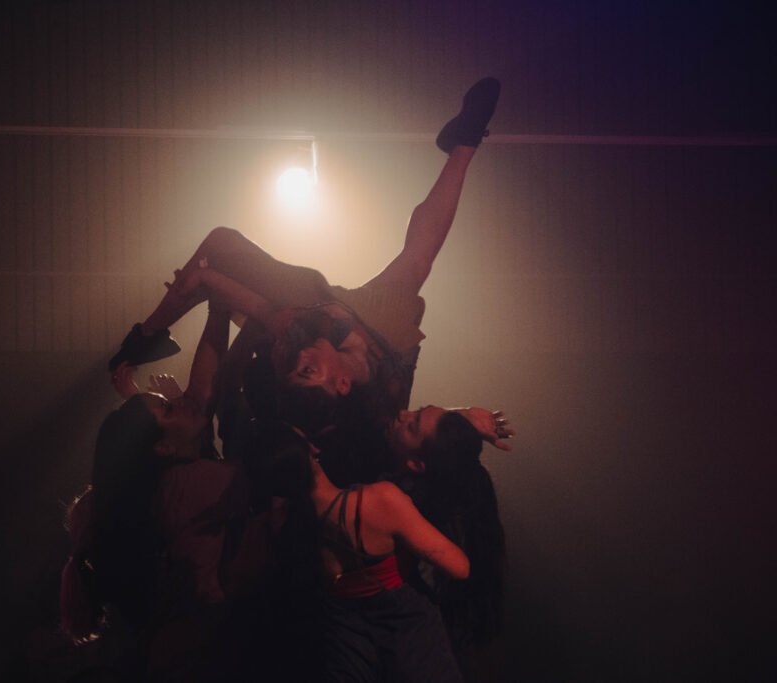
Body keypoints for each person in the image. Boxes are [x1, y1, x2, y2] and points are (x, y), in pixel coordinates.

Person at [107, 77, 511, 479]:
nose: (300, 360)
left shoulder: (296, 344)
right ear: (342, 384)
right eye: (307, 371)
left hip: (322, 314)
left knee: (219, 245)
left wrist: (205, 278)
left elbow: (259, 310)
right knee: (417, 262)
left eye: (296, 369)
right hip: (384, 341)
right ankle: (465, 143)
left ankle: (145, 337)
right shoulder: (380, 411)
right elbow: (417, 436)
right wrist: (463, 421)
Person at [60, 305, 248, 681]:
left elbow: (149, 445)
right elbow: (208, 395)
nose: (181, 398)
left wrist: (149, 412)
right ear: (161, 447)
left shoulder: (116, 499)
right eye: (169, 407)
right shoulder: (194, 485)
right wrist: (226, 305)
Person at [254, 420, 471, 683]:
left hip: (342, 638)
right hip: (407, 630)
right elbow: (459, 567)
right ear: (312, 450)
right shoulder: (378, 501)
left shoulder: (286, 529)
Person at [387, 408, 506, 681]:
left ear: (417, 464)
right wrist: (463, 418)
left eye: (412, 425)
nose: (403, 414)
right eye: (416, 411)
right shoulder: (434, 487)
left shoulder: (410, 519)